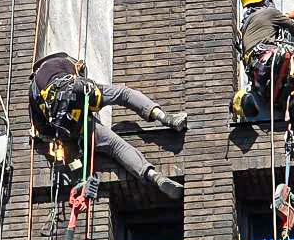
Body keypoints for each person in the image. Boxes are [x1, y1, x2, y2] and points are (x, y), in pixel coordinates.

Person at [30, 52, 187, 201]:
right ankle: (166, 118)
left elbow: (44, 131)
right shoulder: (59, 62)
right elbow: (78, 77)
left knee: (115, 146)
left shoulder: (33, 93)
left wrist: (68, 144)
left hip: (70, 124)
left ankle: (154, 176)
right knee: (124, 94)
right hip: (79, 93)